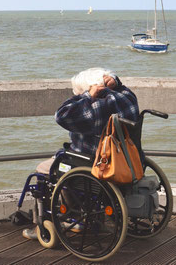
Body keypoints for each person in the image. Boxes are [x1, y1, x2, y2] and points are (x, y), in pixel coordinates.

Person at [22, 67, 139, 239]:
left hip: (93, 163)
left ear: (92, 89)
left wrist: (86, 96)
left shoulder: (93, 109)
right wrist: (113, 80)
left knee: (44, 169)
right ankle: (87, 214)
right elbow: (119, 87)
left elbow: (61, 115)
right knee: (67, 162)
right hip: (123, 160)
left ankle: (55, 222)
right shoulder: (127, 97)